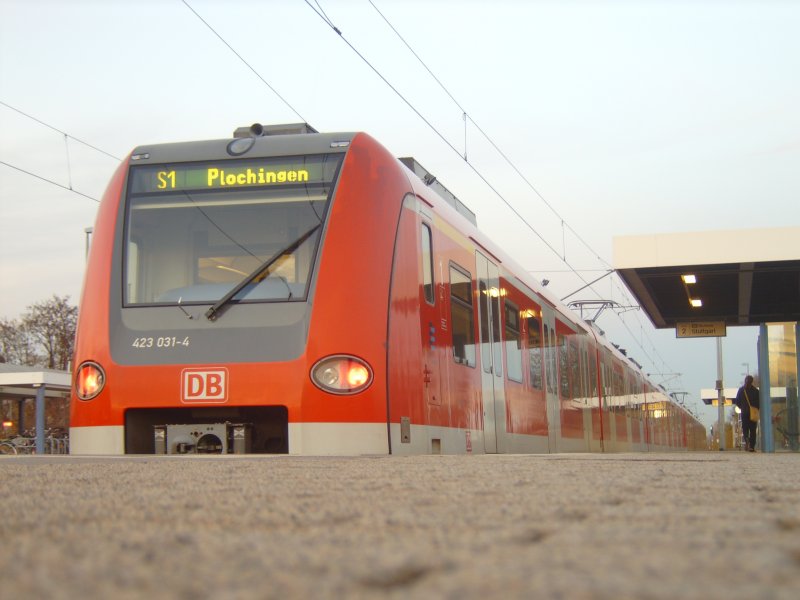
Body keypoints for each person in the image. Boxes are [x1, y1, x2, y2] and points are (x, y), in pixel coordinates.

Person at [734, 375, 760, 452]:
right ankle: (752, 446)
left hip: (744, 413)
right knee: (753, 430)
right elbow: (759, 402)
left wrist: (742, 407)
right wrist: (755, 409)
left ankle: (746, 439)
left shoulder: (741, 390)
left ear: (745, 381)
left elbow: (737, 401)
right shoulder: (756, 391)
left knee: (745, 428)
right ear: (752, 382)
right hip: (753, 413)